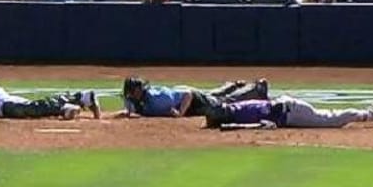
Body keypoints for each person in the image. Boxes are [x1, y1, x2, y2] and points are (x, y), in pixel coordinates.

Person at [205, 94, 373, 129]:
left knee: (331, 120)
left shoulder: (240, 113)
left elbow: (265, 121)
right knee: (330, 117)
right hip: (288, 108)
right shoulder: (238, 107)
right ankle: (371, 114)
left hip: (291, 111)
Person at [115, 76, 270, 118]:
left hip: (190, 99)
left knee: (221, 103)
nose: (129, 95)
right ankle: (233, 85)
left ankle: (257, 88)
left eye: (131, 91)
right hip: (182, 94)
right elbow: (133, 108)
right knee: (212, 96)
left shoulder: (157, 98)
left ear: (138, 91)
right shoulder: (139, 100)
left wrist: (181, 113)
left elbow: (187, 95)